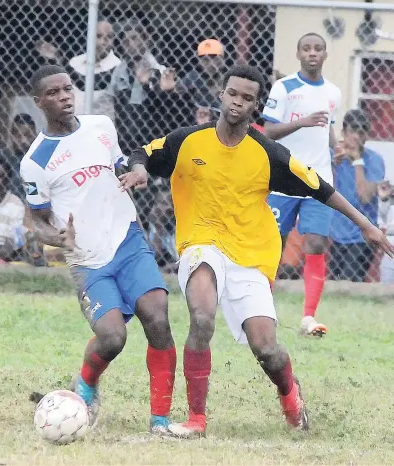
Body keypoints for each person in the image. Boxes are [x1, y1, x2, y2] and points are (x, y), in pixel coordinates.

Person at [119, 64, 393, 438]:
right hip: (200, 242)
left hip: (250, 255)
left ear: (256, 105)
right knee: (201, 317)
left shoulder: (268, 153)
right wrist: (137, 170)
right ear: (222, 95)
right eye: (233, 93)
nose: (237, 102)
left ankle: (290, 394)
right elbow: (144, 152)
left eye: (247, 98)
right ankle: (197, 419)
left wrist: (367, 225)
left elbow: (320, 187)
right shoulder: (188, 141)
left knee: (267, 350)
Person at [19, 65, 176, 434]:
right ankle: (86, 387)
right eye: (55, 93)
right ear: (40, 102)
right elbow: (36, 220)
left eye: (68, 89)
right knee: (112, 337)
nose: (65, 97)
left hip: (128, 239)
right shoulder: (35, 162)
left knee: (158, 317)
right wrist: (57, 239)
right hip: (88, 260)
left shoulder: (100, 126)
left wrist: (136, 170)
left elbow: (121, 162)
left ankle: (161, 421)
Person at [262, 32, 341, 337]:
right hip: (284, 178)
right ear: (298, 53)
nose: (312, 53)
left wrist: (339, 147)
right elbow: (268, 130)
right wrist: (301, 121)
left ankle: (309, 318)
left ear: (325, 54)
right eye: (306, 48)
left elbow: (328, 129)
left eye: (317, 48)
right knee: (273, 245)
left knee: (317, 243)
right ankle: (262, 311)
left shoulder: (333, 92)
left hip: (318, 179)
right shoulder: (283, 88)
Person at [330, 109, 385, 282]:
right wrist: (333, 163)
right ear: (343, 132)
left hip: (362, 236)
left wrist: (357, 161)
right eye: (351, 131)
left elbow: (365, 197)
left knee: (349, 282)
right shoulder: (332, 155)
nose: (356, 137)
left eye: (361, 132)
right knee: (335, 283)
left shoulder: (374, 159)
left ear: (366, 136)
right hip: (335, 235)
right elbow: (320, 189)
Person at [68, 18, 121, 119]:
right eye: (98, 36)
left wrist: (59, 59)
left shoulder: (117, 66)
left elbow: (88, 84)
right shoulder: (75, 62)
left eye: (108, 37)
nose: (102, 42)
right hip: (73, 127)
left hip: (100, 129)